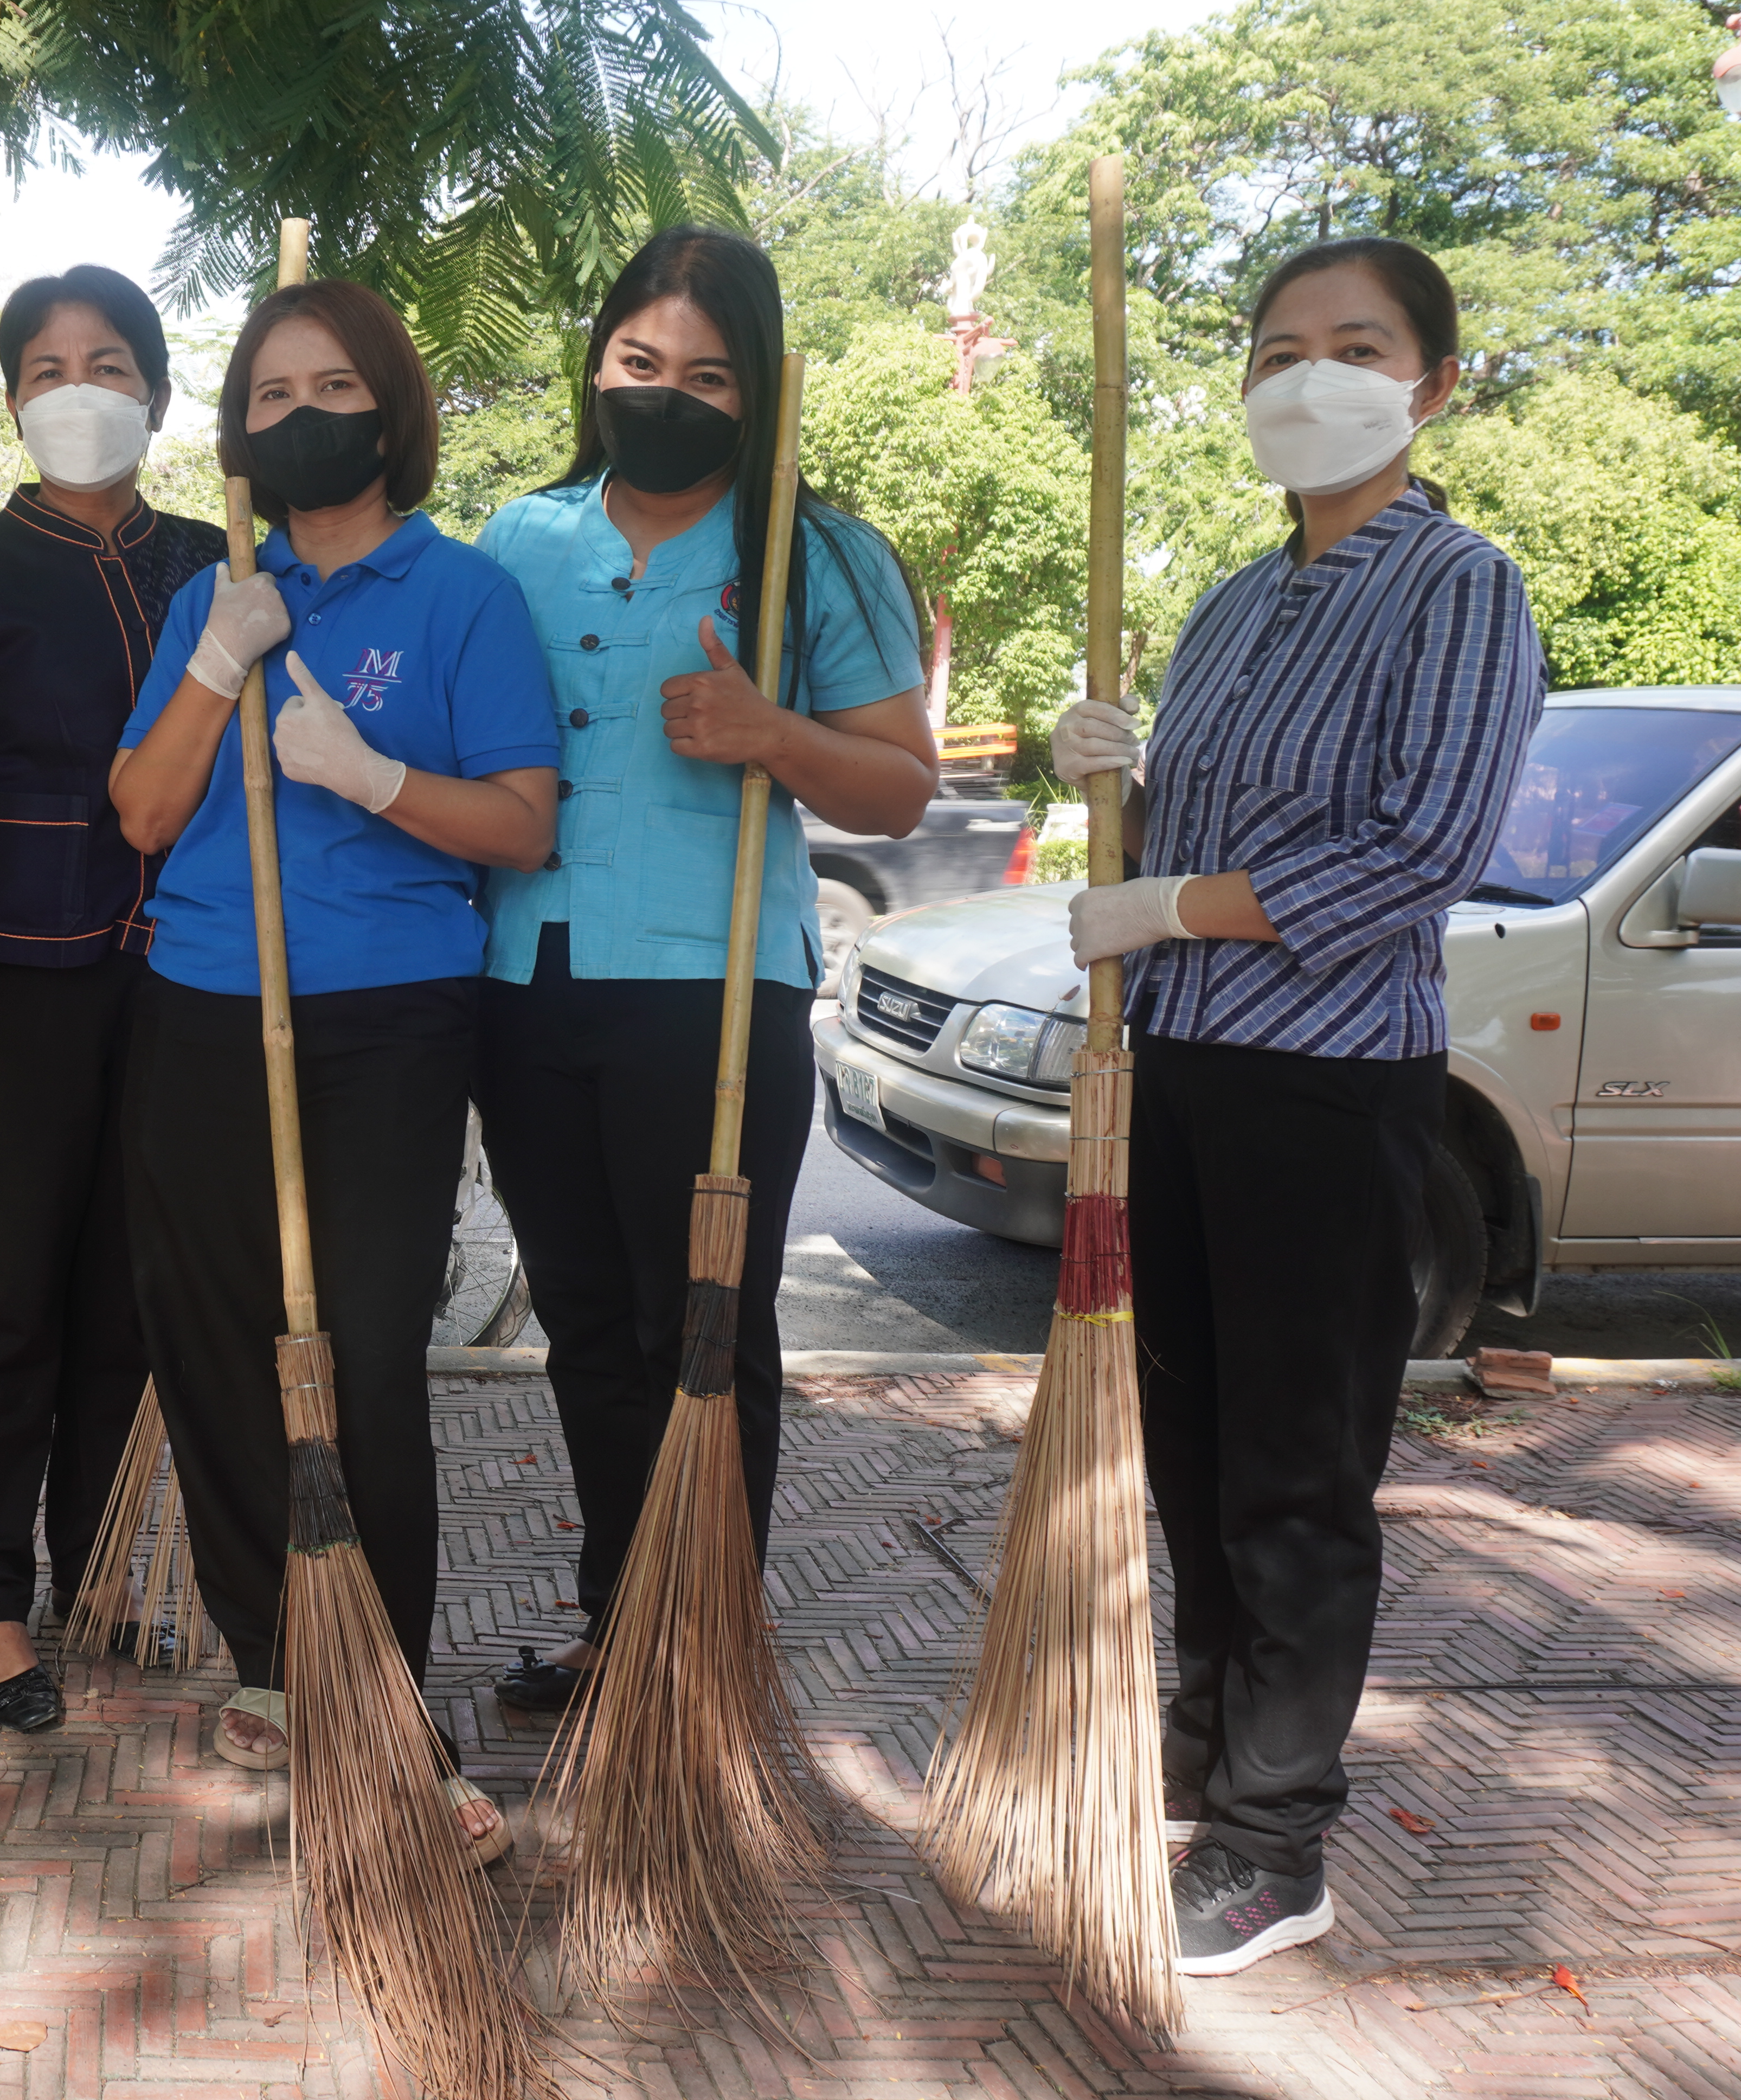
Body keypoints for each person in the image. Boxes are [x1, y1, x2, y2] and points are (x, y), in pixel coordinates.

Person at [1046, 236, 1541, 1977]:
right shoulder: (1236, 601)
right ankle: (1205, 1757)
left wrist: (1170, 905)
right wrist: (1116, 785)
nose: (1305, 376)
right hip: (1187, 1067)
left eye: (1352, 345)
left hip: (1328, 1086)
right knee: (1188, 1442)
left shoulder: (1459, 586)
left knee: (1298, 1468)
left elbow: (1417, 850)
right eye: (1275, 351)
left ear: (1433, 381)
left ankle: (1279, 1840)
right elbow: (1186, 829)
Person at [111, 277, 560, 1855]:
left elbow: (522, 822)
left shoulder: (465, 597)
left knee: (361, 1360)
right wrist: (223, 663)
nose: (304, 417)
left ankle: (392, 1704)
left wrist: (371, 778)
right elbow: (145, 815)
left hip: (384, 1020)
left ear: (392, 409)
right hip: (201, 1006)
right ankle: (279, 1665)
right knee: (218, 1344)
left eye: (334, 388)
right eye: (274, 394)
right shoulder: (209, 595)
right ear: (242, 429)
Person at [470, 226, 937, 1717]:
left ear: (762, 392)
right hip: (526, 979)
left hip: (713, 991)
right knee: (589, 1323)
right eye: (639, 362)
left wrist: (771, 735)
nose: (666, 391)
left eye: (709, 374)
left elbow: (900, 789)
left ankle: (710, 1642)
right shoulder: (515, 541)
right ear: (597, 364)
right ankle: (623, 1620)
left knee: (706, 1329)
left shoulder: (815, 552)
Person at [0, 268, 224, 1733]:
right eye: (50, 366)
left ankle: (96, 1575)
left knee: (126, 1307)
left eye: (111, 360)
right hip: (5, 982)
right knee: (1, 1302)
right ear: (13, 396)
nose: (81, 387)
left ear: (155, 390)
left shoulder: (215, 562)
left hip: (181, 976)